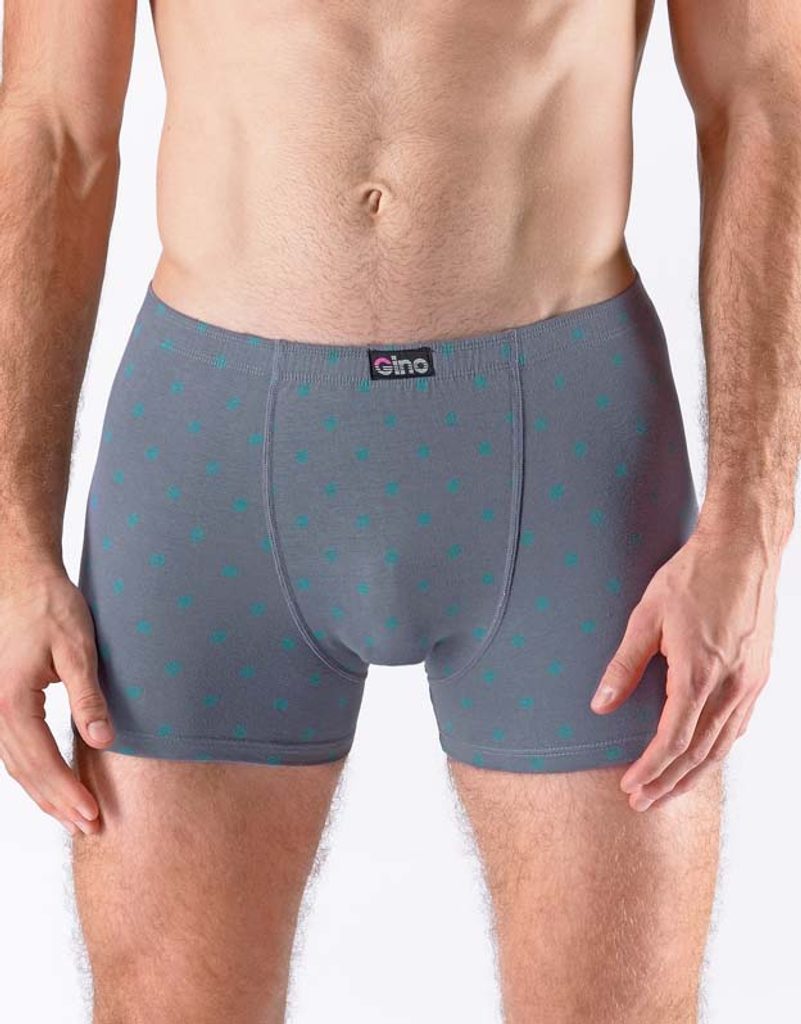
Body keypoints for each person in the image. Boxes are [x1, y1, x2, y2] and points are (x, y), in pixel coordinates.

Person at [0, 2, 799, 1021]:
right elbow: (53, 126)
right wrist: (10, 537)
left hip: (566, 454)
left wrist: (751, 527)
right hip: (209, 461)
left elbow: (766, 95)